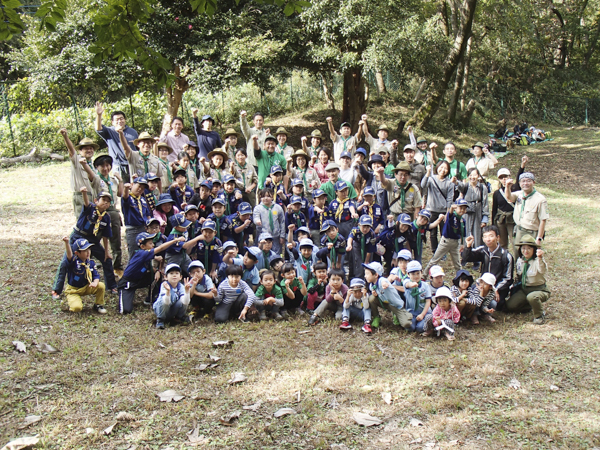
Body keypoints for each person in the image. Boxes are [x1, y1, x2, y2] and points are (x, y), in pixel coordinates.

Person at [52, 187, 118, 299]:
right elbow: (86, 202)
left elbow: (105, 236)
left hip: (92, 239)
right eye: (103, 200)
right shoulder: (91, 208)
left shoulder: (106, 217)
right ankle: (56, 290)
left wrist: (107, 251)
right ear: (96, 200)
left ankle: (111, 286)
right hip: (78, 235)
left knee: (107, 259)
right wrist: (84, 193)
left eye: (108, 202)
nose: (105, 203)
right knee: (66, 262)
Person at [117, 232, 184, 314]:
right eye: (150, 243)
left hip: (139, 280)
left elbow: (152, 266)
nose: (153, 245)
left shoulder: (148, 255)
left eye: (152, 243)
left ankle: (151, 298)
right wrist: (175, 240)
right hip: (127, 283)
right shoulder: (141, 253)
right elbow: (160, 248)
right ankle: (124, 295)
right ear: (142, 246)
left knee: (156, 277)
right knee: (125, 311)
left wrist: (158, 271)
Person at [462, 225, 514, 310]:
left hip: (498, 288)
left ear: (498, 237)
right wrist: (468, 246)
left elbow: (508, 278)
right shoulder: (483, 250)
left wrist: (495, 289)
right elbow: (467, 257)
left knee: (494, 305)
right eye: (485, 237)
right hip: (483, 286)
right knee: (472, 296)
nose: (488, 239)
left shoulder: (506, 256)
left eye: (491, 236)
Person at [505, 235, 550, 324]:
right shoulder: (520, 260)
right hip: (524, 289)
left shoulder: (537, 260)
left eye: (529, 248)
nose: (525, 251)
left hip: (539, 289)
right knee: (510, 306)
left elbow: (542, 270)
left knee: (532, 297)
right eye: (523, 248)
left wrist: (540, 258)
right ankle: (530, 305)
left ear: (534, 249)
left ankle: (539, 315)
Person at [92, 154, 124, 277]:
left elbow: (120, 194)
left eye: (107, 165)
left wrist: (120, 180)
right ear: (97, 167)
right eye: (102, 166)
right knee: (95, 238)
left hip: (113, 211)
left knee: (116, 240)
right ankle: (93, 263)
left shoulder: (113, 180)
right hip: (100, 212)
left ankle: (117, 266)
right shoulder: (95, 179)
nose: (105, 168)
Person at [59, 235, 107, 314]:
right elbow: (69, 256)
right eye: (84, 250)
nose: (88, 252)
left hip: (86, 286)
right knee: (77, 308)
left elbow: (96, 275)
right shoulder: (74, 262)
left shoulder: (90, 262)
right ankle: (73, 302)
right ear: (77, 253)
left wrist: (95, 282)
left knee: (101, 286)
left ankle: (98, 304)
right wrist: (67, 243)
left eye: (89, 249)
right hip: (74, 290)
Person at [59, 129, 101, 217]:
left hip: (93, 196)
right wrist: (65, 136)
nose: (89, 150)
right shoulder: (77, 160)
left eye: (91, 148)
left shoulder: (94, 165)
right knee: (82, 221)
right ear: (80, 151)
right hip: (81, 195)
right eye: (86, 148)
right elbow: (71, 150)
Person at [505, 172, 548, 256]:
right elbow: (509, 197)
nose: (525, 183)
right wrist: (507, 187)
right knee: (518, 253)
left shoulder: (540, 199)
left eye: (528, 181)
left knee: (531, 256)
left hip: (532, 232)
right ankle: (519, 269)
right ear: (519, 183)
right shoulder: (519, 194)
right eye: (523, 181)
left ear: (533, 183)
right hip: (519, 230)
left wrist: (539, 238)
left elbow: (543, 220)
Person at [94, 102, 138, 182]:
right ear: (112, 122)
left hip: (132, 163)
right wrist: (99, 115)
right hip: (118, 164)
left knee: (134, 185)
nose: (119, 121)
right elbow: (98, 128)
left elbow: (137, 148)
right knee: (120, 187)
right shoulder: (110, 131)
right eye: (117, 119)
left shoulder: (133, 132)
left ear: (125, 120)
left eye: (121, 118)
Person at [491, 156, 527, 249]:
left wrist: (522, 165)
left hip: (512, 219)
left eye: (505, 177)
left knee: (514, 242)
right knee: (502, 243)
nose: (504, 179)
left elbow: (519, 177)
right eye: (501, 177)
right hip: (501, 219)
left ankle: (516, 261)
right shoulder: (497, 193)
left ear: (509, 177)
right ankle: (504, 261)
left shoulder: (515, 188)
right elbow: (494, 209)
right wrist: (493, 225)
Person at [364, 262, 412, 330]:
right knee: (371, 298)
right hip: (384, 302)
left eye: (367, 274)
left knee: (406, 324)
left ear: (376, 275)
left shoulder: (381, 280)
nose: (365, 276)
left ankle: (400, 314)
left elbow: (384, 281)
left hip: (395, 305)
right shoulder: (371, 285)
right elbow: (374, 290)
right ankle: (376, 317)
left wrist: (385, 284)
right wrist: (374, 293)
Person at [424, 199, 468, 273]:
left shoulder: (462, 220)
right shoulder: (451, 216)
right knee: (435, 260)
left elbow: (463, 233)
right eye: (461, 208)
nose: (462, 210)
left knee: (457, 264)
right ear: (455, 208)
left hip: (455, 243)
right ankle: (424, 275)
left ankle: (461, 278)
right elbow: (449, 215)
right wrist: (451, 209)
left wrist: (462, 244)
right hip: (446, 241)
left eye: (464, 209)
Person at [457, 168, 490, 263]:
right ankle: (464, 256)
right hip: (466, 213)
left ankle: (476, 259)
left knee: (477, 235)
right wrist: (456, 182)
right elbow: (459, 186)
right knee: (465, 234)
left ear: (478, 176)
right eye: (470, 175)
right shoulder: (466, 186)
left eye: (474, 175)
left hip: (478, 212)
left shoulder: (482, 187)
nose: (472, 177)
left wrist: (484, 218)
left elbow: (485, 203)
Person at [421, 160, 453, 254]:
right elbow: (423, 185)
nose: (443, 170)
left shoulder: (449, 182)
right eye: (441, 167)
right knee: (432, 232)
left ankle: (442, 251)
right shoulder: (431, 179)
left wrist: (448, 213)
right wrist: (427, 172)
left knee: (444, 232)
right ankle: (434, 250)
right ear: (437, 168)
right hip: (431, 210)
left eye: (445, 168)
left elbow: (449, 199)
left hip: (443, 211)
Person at [122, 177, 153, 259]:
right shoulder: (129, 198)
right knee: (133, 254)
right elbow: (125, 197)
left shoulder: (142, 199)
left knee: (145, 252)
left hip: (143, 228)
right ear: (132, 185)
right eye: (139, 186)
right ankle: (131, 271)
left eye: (142, 189)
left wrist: (149, 226)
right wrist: (126, 188)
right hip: (133, 229)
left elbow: (147, 214)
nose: (140, 190)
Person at [153, 263, 191, 329]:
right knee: (164, 300)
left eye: (177, 273)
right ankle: (160, 320)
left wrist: (187, 291)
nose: (174, 275)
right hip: (162, 309)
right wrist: (168, 292)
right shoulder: (164, 285)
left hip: (172, 309)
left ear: (180, 277)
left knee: (182, 300)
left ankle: (179, 317)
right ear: (165, 277)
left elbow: (185, 302)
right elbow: (166, 302)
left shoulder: (181, 286)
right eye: (171, 273)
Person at [402, 261, 432, 333]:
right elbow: (406, 284)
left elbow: (428, 301)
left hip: (424, 312)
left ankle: (429, 322)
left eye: (418, 273)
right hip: (411, 312)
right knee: (410, 327)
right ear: (408, 274)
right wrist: (411, 285)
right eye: (413, 274)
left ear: (421, 273)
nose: (416, 276)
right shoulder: (407, 282)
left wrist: (422, 315)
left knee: (420, 328)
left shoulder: (425, 286)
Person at [254, 188, 286, 254]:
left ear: (272, 196)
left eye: (268, 196)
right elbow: (255, 217)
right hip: (263, 235)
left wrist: (282, 236)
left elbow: (282, 222)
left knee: (276, 253)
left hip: (276, 236)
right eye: (263, 196)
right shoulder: (258, 208)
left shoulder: (278, 207)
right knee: (263, 252)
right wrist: (257, 221)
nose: (265, 198)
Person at [346, 215, 376, 280]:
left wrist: (366, 261)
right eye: (363, 226)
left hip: (367, 247)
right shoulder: (355, 230)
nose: (365, 229)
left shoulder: (371, 234)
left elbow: (370, 250)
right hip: (357, 245)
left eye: (367, 227)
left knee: (368, 264)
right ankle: (358, 278)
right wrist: (349, 245)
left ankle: (368, 279)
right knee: (358, 262)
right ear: (359, 225)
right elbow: (350, 237)